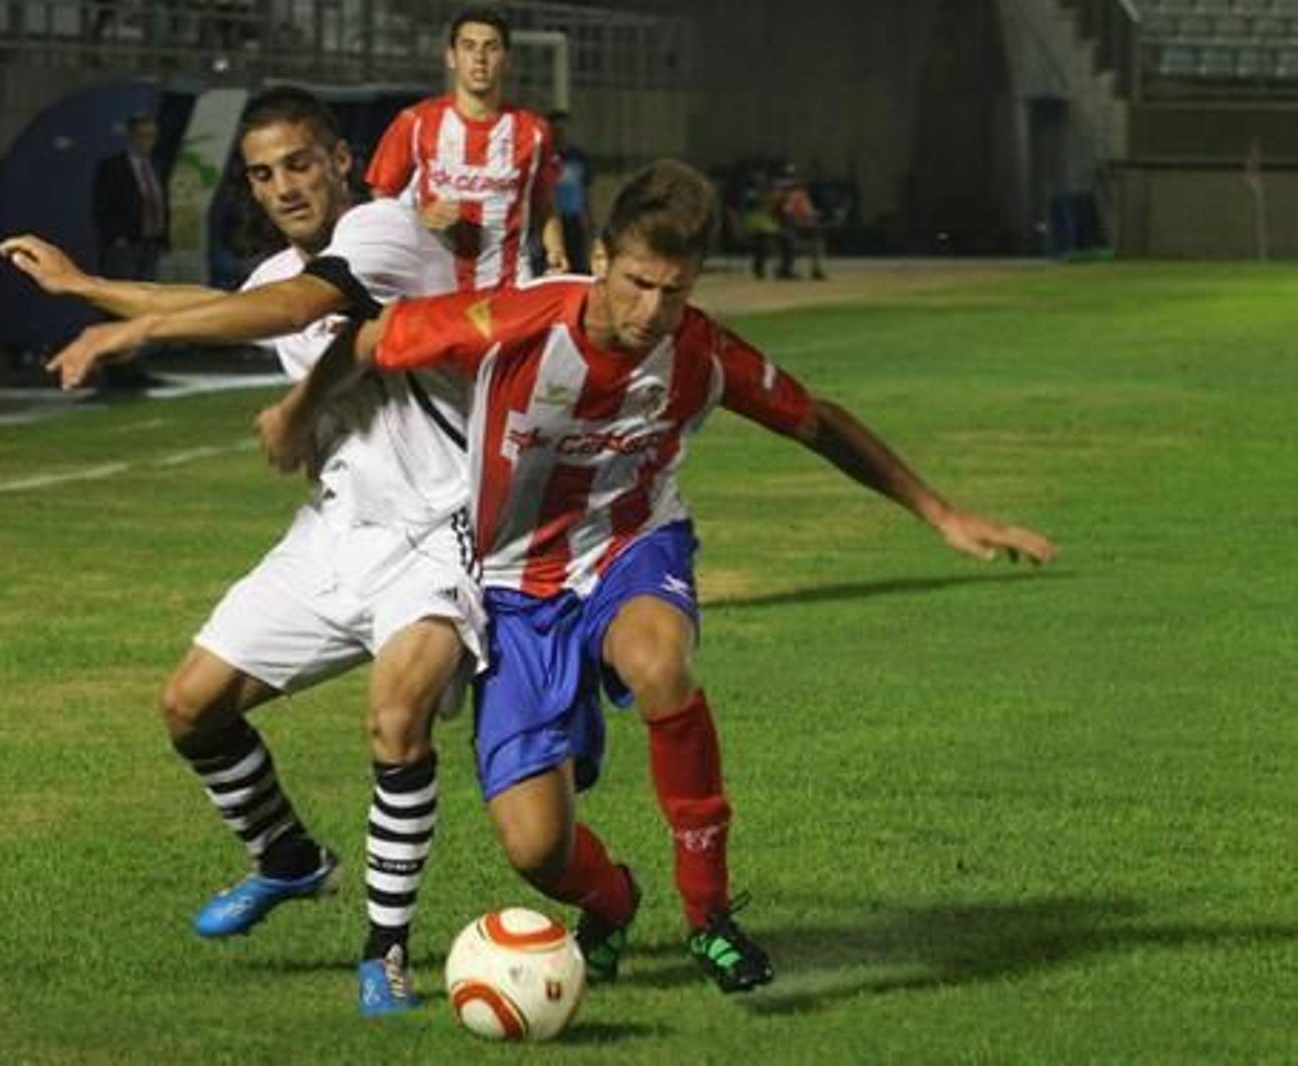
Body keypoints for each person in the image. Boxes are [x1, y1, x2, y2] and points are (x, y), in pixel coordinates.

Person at [257, 159, 1058, 995]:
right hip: (511, 587)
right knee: (537, 849)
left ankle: (710, 916)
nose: (652, 312)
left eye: (674, 291)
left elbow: (815, 420)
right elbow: (371, 337)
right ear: (599, 257)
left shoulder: (700, 353)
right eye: (638, 283)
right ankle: (612, 899)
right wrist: (297, 409)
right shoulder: (520, 320)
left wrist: (942, 514)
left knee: (657, 661)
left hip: (630, 550)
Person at [0, 87, 481, 1015]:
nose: (285, 186)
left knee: (394, 724)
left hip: (439, 532)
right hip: (336, 530)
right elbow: (228, 299)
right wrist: (84, 287)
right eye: (263, 174)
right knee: (190, 706)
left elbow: (298, 305)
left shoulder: (384, 233)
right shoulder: (284, 268)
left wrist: (135, 331)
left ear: (341, 159)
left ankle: (385, 954)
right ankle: (290, 861)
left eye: (300, 163)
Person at [365, 6, 566, 290]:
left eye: (491, 48)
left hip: (508, 287)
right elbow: (381, 194)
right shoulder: (416, 122)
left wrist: (556, 251)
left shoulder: (535, 132)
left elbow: (545, 201)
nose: (480, 58)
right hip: (433, 285)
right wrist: (417, 217)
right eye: (468, 47)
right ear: (451, 57)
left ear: (507, 60)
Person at [92, 114, 171, 285]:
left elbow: (161, 202)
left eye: (153, 136)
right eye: (144, 136)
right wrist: (116, 237)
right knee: (123, 291)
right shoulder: (112, 167)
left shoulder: (157, 166)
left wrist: (164, 237)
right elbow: (101, 206)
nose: (149, 142)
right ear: (132, 136)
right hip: (125, 244)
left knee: (148, 292)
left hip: (151, 243)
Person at [548, 109, 593, 274]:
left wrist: (587, 222)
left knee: (578, 265)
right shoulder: (544, 157)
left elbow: (585, 193)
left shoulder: (579, 158)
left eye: (564, 129)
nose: (561, 133)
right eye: (556, 129)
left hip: (574, 221)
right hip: (552, 222)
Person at [772, 165, 828, 281]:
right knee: (789, 236)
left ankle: (816, 269)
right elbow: (786, 214)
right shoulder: (780, 193)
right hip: (785, 227)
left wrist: (812, 218)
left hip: (797, 227)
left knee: (817, 234)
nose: (790, 181)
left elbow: (808, 212)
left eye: (792, 177)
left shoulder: (800, 193)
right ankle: (784, 269)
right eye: (787, 177)